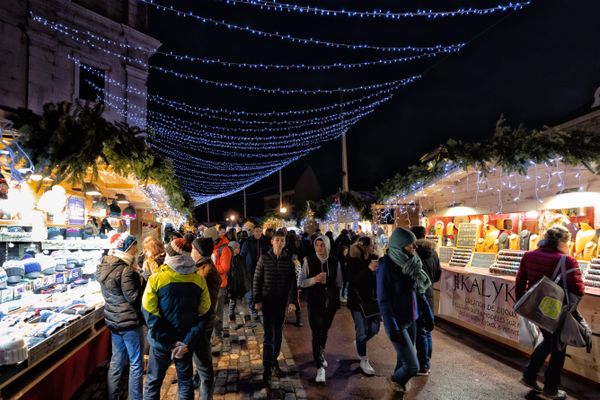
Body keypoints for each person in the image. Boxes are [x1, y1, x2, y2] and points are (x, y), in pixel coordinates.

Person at [516, 226, 585, 400]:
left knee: (548, 341)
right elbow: (578, 288)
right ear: (562, 241)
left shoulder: (529, 256)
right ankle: (551, 389)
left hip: (537, 309)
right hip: (556, 311)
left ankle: (529, 375)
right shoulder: (567, 261)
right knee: (558, 348)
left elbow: (520, 282)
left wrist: (524, 305)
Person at [142, 237, 212, 400]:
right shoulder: (199, 279)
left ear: (170, 254)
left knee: (153, 383)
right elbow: (204, 314)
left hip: (160, 343)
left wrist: (167, 341)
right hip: (184, 344)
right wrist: (186, 342)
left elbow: (148, 312)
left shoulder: (157, 279)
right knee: (185, 383)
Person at [377, 228, 431, 400]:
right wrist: (391, 327)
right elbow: (384, 300)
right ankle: (393, 388)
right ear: (399, 247)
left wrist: (427, 314)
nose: (414, 249)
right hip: (397, 323)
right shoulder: (386, 267)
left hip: (412, 319)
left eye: (414, 245)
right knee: (412, 367)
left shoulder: (412, 263)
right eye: (409, 246)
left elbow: (418, 292)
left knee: (402, 362)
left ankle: (396, 395)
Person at [96, 234, 144, 400]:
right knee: (136, 363)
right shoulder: (126, 269)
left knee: (116, 361)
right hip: (129, 322)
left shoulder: (104, 266)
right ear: (129, 247)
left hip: (113, 321)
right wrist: (141, 280)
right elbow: (133, 297)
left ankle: (112, 396)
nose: (137, 250)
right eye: (135, 246)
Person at [253, 231, 297, 387]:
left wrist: (292, 302)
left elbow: (293, 283)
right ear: (272, 241)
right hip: (267, 302)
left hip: (281, 303)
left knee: (278, 334)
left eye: (282, 240)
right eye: (277, 240)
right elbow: (257, 279)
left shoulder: (288, 261)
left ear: (284, 243)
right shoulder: (264, 259)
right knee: (268, 335)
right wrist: (257, 299)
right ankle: (267, 368)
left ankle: (274, 362)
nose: (279, 242)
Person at [300, 235, 343, 383]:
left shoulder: (334, 261)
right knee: (316, 332)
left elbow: (339, 283)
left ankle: (320, 354)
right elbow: (302, 282)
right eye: (317, 245)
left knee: (324, 331)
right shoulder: (308, 260)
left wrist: (329, 284)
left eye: (322, 245)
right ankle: (319, 367)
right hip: (315, 301)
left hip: (330, 303)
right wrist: (314, 280)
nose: (319, 248)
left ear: (327, 246)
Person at [191, 237, 222, 400]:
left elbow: (204, 303)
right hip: (203, 323)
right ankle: (197, 380)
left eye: (193, 249)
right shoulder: (202, 267)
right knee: (201, 361)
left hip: (203, 323)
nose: (191, 252)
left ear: (199, 252)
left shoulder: (206, 271)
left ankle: (205, 396)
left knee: (205, 368)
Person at [346, 236, 380, 376]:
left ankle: (360, 343)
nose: (374, 246)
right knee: (362, 331)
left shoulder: (374, 258)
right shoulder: (353, 260)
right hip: (357, 302)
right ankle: (363, 360)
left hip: (373, 300)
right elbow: (353, 280)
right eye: (372, 244)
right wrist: (369, 269)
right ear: (366, 246)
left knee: (374, 329)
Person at [410, 226, 441, 376]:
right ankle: (426, 362)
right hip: (429, 293)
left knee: (421, 331)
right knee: (427, 329)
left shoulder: (413, 253)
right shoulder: (433, 252)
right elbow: (437, 276)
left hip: (418, 294)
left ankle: (423, 365)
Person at [240, 225, 270, 322]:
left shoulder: (265, 242)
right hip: (250, 271)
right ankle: (253, 310)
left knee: (261, 291)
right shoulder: (247, 242)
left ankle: (260, 309)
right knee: (251, 293)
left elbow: (269, 254)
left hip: (262, 270)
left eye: (260, 231)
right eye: (257, 231)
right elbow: (242, 256)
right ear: (253, 232)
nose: (258, 233)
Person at [209, 226, 232, 345]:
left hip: (219, 285)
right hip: (209, 283)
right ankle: (211, 334)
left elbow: (225, 268)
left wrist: (209, 266)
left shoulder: (224, 249)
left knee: (217, 312)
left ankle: (218, 335)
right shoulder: (211, 248)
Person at [227, 241, 251, 326]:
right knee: (232, 303)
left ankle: (247, 320)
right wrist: (229, 286)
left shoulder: (240, 258)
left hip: (242, 285)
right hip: (233, 286)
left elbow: (245, 271)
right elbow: (228, 274)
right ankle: (232, 320)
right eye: (237, 248)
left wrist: (247, 282)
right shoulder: (229, 260)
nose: (239, 249)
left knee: (244, 302)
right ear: (232, 249)